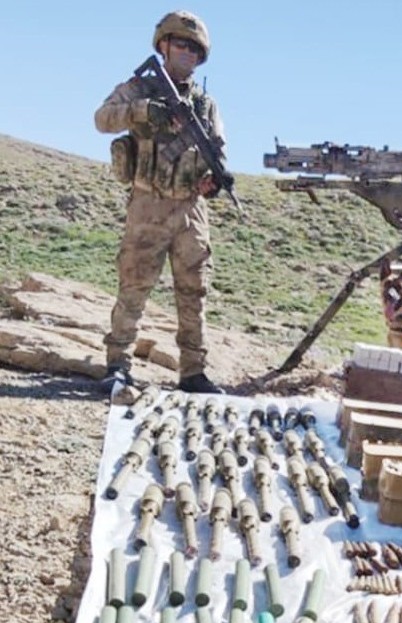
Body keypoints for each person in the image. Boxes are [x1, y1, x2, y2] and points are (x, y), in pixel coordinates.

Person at [94, 10, 229, 395]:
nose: (188, 53)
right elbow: (101, 118)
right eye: (181, 45)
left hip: (190, 209)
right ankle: (118, 364)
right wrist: (142, 112)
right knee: (134, 285)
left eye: (195, 50)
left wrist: (214, 180)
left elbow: (218, 150)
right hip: (148, 203)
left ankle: (192, 372)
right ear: (164, 46)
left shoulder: (205, 104)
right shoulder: (139, 89)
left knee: (194, 290)